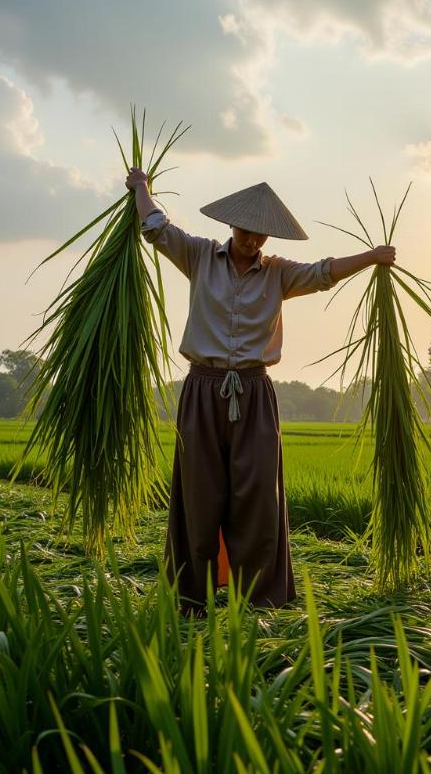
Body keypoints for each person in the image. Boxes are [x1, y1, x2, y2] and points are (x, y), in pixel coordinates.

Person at [125, 167, 395, 615]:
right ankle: (192, 596)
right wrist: (141, 188)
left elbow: (324, 272)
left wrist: (371, 257)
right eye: (247, 232)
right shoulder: (198, 256)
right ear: (232, 226)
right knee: (199, 494)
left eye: (262, 236)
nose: (253, 242)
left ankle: (258, 599)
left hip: (254, 394)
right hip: (202, 390)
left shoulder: (279, 275)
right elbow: (156, 228)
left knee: (257, 497)